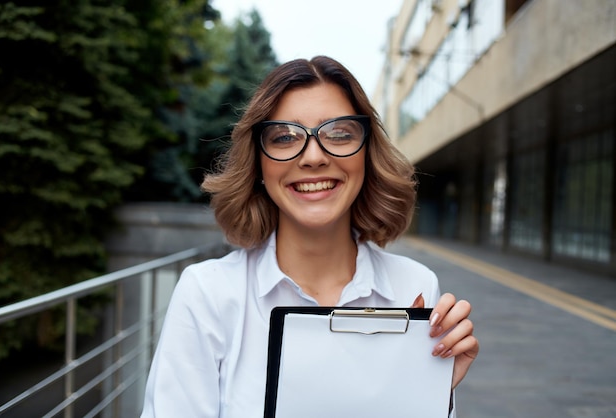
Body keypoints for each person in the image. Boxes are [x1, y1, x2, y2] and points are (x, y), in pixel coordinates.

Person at [140, 56, 479, 418]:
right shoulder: (208, 295)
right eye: (285, 137)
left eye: (339, 133)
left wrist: (426, 398)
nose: (314, 157)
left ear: (366, 153)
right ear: (258, 163)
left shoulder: (414, 286)